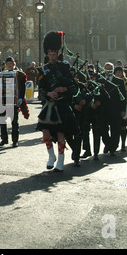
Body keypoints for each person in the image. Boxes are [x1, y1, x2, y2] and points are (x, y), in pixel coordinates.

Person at [37, 31, 79, 172]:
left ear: (58, 54)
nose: (52, 57)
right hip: (49, 105)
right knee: (45, 132)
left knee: (61, 133)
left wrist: (63, 88)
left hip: (61, 105)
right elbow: (41, 90)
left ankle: (61, 160)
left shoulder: (64, 68)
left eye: (54, 54)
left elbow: (74, 87)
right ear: (47, 55)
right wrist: (48, 93)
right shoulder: (44, 70)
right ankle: (51, 156)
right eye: (50, 54)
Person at [0, 56, 27, 148]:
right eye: (7, 64)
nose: (9, 65)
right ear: (5, 65)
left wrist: (21, 97)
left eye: (11, 64)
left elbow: (23, 87)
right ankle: (4, 139)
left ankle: (15, 141)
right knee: (2, 120)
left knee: (14, 121)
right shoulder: (0, 74)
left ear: (14, 64)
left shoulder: (19, 74)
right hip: (3, 100)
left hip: (14, 101)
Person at [98, 62, 127, 156]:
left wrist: (123, 110)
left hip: (116, 109)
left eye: (110, 69)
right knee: (103, 129)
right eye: (106, 69)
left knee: (115, 130)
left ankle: (113, 148)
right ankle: (108, 144)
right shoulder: (100, 81)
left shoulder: (119, 81)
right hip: (103, 110)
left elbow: (123, 97)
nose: (108, 72)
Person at [114, 66, 127, 152]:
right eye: (117, 72)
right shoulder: (112, 81)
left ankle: (123, 144)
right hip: (115, 106)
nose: (118, 74)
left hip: (125, 105)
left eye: (120, 72)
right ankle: (115, 144)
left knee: (123, 126)